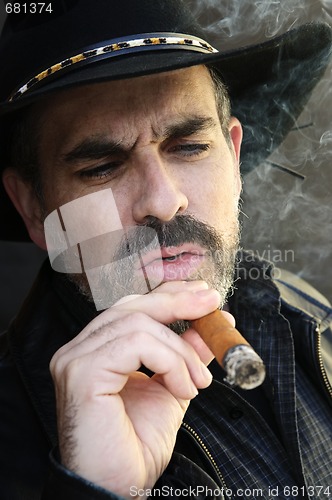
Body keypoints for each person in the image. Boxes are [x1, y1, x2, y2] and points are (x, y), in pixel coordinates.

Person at [0, 1, 331, 499]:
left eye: (189, 146)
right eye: (100, 168)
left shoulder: (308, 313)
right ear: (33, 208)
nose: (163, 202)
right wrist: (95, 490)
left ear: (234, 156)